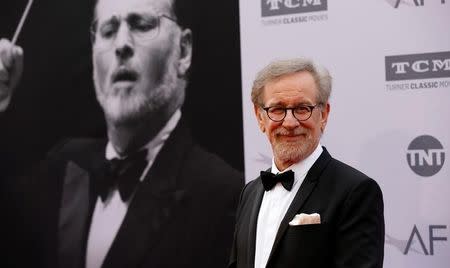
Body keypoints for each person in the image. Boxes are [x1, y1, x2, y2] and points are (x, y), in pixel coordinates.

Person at [0, 0, 243, 267]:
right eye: (108, 30)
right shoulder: (62, 166)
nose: (121, 44)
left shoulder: (225, 198)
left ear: (183, 51)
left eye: (142, 25)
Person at [229, 58, 385, 268]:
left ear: (324, 114)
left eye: (302, 108)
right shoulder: (250, 192)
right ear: (259, 117)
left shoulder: (355, 192)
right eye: (277, 109)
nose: (290, 122)